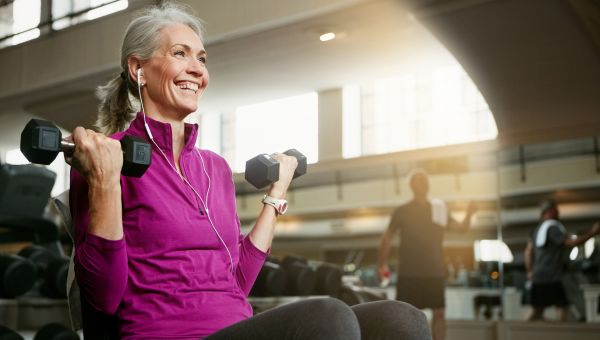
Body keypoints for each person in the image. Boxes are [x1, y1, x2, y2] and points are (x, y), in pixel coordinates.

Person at [67, 2, 431, 339]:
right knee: (327, 316)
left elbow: (237, 282)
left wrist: (277, 194)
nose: (197, 69)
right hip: (169, 333)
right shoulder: (107, 157)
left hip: (234, 327)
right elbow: (104, 298)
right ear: (138, 69)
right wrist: (105, 183)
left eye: (202, 59)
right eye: (180, 54)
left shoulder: (215, 169)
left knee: (402, 320)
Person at [377, 170, 476, 340]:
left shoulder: (438, 209)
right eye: (418, 180)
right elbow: (387, 238)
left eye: (425, 180)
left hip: (434, 272)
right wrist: (381, 264)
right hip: (409, 272)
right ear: (411, 186)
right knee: (405, 314)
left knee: (439, 313)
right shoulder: (402, 211)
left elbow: (461, 229)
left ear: (428, 186)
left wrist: (469, 213)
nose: (422, 182)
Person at [523, 199, 600, 321]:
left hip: (539, 275)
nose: (558, 212)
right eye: (555, 210)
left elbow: (528, 252)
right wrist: (593, 233)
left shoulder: (537, 229)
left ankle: (520, 333)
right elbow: (571, 242)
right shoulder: (553, 228)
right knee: (562, 307)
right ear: (549, 211)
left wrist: (529, 271)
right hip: (551, 275)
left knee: (537, 310)